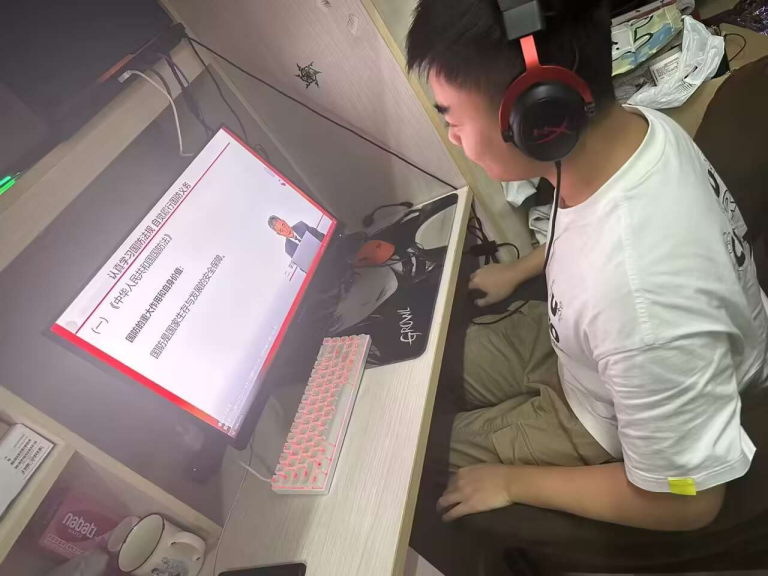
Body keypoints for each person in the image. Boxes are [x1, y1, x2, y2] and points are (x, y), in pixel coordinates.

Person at [406, 0, 768, 532]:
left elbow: (690, 502)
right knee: (424, 367)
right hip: (590, 354)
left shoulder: (640, 301)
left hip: (609, 416)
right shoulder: (635, 133)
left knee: (416, 456)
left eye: (453, 119)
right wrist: (523, 268)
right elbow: (596, 231)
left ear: (537, 120)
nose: (454, 138)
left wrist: (511, 483)